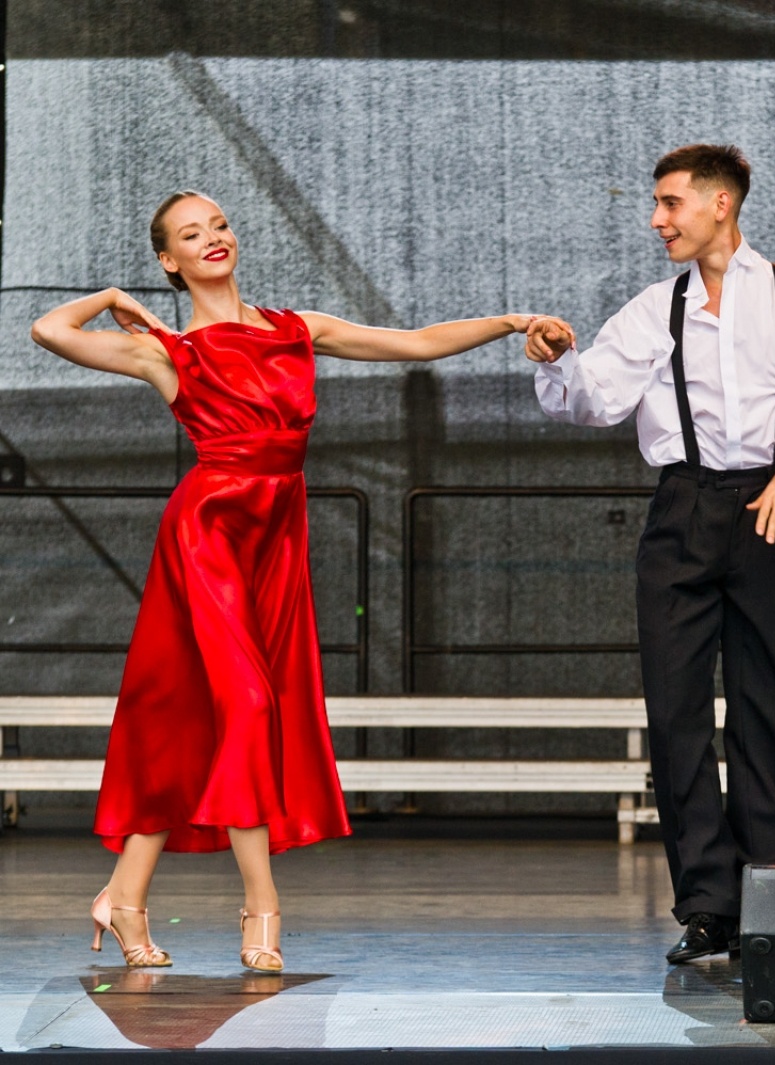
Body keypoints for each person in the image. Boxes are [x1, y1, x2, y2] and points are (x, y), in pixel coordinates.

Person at [30, 190, 575, 970]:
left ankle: (122, 896)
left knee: (194, 717)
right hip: (208, 532)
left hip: (275, 534)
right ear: (169, 260)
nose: (213, 238)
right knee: (249, 703)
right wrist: (115, 296)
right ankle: (262, 905)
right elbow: (50, 330)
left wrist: (515, 322)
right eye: (191, 234)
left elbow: (416, 343)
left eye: (220, 225)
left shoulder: (297, 329)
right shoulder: (166, 351)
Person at [528, 144, 775, 962]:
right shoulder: (656, 307)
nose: (657, 220)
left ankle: (774, 893)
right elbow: (594, 399)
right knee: (676, 710)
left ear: (719, 203)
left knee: (766, 705)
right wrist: (559, 360)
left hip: (772, 504)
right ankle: (708, 904)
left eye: (670, 203)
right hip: (683, 507)